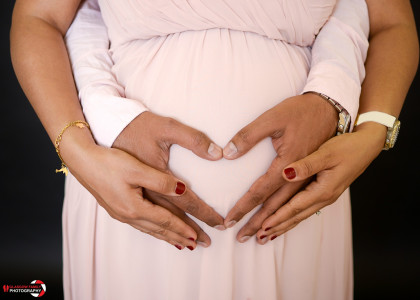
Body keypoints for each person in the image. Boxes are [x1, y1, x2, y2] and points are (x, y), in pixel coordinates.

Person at [10, 1, 418, 300]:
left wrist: (371, 132)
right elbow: (37, 17)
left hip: (294, 206)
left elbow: (392, 24)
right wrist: (80, 153)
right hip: (127, 198)